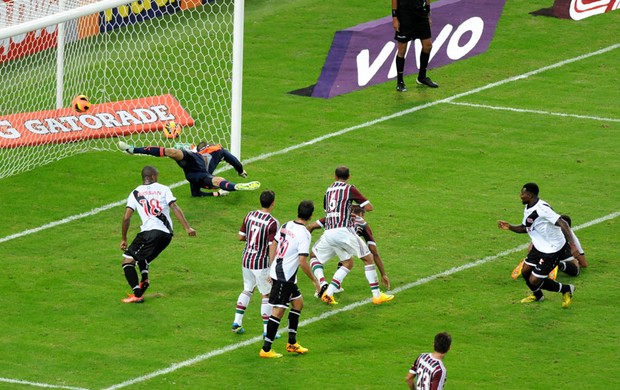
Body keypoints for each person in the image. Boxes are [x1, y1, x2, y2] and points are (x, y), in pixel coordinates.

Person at [312, 166, 393, 305]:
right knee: (368, 259)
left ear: (335, 177)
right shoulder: (349, 189)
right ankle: (377, 295)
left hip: (328, 232)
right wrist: (353, 202)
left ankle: (328, 293)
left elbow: (328, 210)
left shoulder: (328, 190)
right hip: (343, 230)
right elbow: (369, 207)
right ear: (348, 177)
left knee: (347, 262)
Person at [120, 165, 196, 303]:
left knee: (127, 261)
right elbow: (174, 207)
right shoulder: (164, 189)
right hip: (166, 235)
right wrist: (187, 228)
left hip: (149, 232)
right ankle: (144, 279)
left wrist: (124, 238)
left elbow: (126, 218)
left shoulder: (135, 192)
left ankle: (137, 294)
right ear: (154, 177)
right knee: (143, 256)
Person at [498, 183, 579, 308]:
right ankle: (538, 296)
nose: (520, 196)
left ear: (530, 195)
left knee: (534, 280)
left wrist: (572, 245)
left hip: (552, 249)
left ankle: (566, 289)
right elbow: (525, 227)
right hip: (539, 246)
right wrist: (509, 227)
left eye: (522, 193)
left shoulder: (542, 209)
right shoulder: (529, 207)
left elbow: (563, 223)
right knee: (525, 271)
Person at [259, 200, 316, 358]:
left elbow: (274, 244)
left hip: (283, 274)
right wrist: (315, 281)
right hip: (285, 278)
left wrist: (271, 267)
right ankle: (266, 349)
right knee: (278, 312)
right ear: (310, 216)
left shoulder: (286, 225)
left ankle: (291, 343)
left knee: (298, 303)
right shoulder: (304, 234)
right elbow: (303, 261)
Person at [118, 141, 260, 197]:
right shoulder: (218, 149)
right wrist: (240, 171)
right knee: (217, 180)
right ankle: (236, 186)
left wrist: (216, 195)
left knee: (171, 152)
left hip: (194, 171)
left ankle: (133, 149)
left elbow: (195, 194)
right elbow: (234, 160)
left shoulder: (210, 151)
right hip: (196, 167)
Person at [307, 205, 391, 295]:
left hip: (329, 237)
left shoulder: (336, 216)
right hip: (345, 238)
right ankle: (376, 295)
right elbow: (374, 251)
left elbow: (311, 226)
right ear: (360, 214)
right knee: (348, 262)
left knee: (314, 256)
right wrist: (383, 274)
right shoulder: (362, 223)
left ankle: (322, 282)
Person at [231, 190, 279, 336]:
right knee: (266, 294)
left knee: (247, 289)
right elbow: (272, 245)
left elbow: (240, 237)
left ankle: (237, 322)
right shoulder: (272, 222)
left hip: (246, 259)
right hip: (260, 262)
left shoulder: (250, 215)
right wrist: (272, 267)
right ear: (273, 203)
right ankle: (267, 331)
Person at [511, 214, 586, 280]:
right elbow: (583, 263)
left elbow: (530, 248)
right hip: (561, 250)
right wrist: (577, 260)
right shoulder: (570, 235)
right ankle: (558, 264)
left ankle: (530, 262)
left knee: (539, 260)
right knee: (575, 270)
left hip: (541, 252)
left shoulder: (546, 230)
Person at [392, 0, 439, 91]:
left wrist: (428, 14)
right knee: (402, 50)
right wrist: (395, 17)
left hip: (421, 14)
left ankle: (422, 77)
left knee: (428, 46)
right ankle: (400, 82)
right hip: (404, 16)